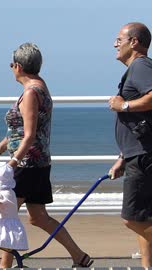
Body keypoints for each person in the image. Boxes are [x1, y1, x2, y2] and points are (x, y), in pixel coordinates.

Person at [0, 42, 93, 268]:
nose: (10, 67)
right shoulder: (39, 86)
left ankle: (3, 266)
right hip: (38, 163)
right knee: (38, 217)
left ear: (19, 66)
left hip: (27, 165)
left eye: (12, 63)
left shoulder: (31, 92)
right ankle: (79, 256)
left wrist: (12, 163)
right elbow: (18, 131)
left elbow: (29, 135)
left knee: (5, 215)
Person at [108, 22, 152, 268]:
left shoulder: (141, 66)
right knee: (144, 216)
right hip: (137, 153)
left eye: (118, 39)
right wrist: (123, 157)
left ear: (133, 42)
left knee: (132, 218)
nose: (115, 44)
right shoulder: (138, 68)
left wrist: (123, 105)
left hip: (144, 155)